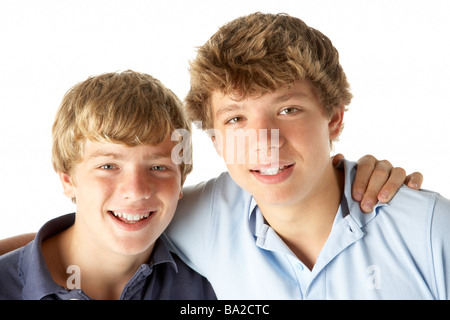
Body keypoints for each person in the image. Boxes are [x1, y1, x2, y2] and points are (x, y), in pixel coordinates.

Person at [164, 12, 450, 299]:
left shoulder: (429, 231)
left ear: (334, 118)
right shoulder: (187, 219)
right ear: (216, 140)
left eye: (288, 110)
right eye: (236, 119)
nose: (264, 142)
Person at [0, 70, 216, 300]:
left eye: (158, 167)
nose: (135, 191)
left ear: (181, 182)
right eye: (108, 166)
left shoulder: (211, 283)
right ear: (67, 179)